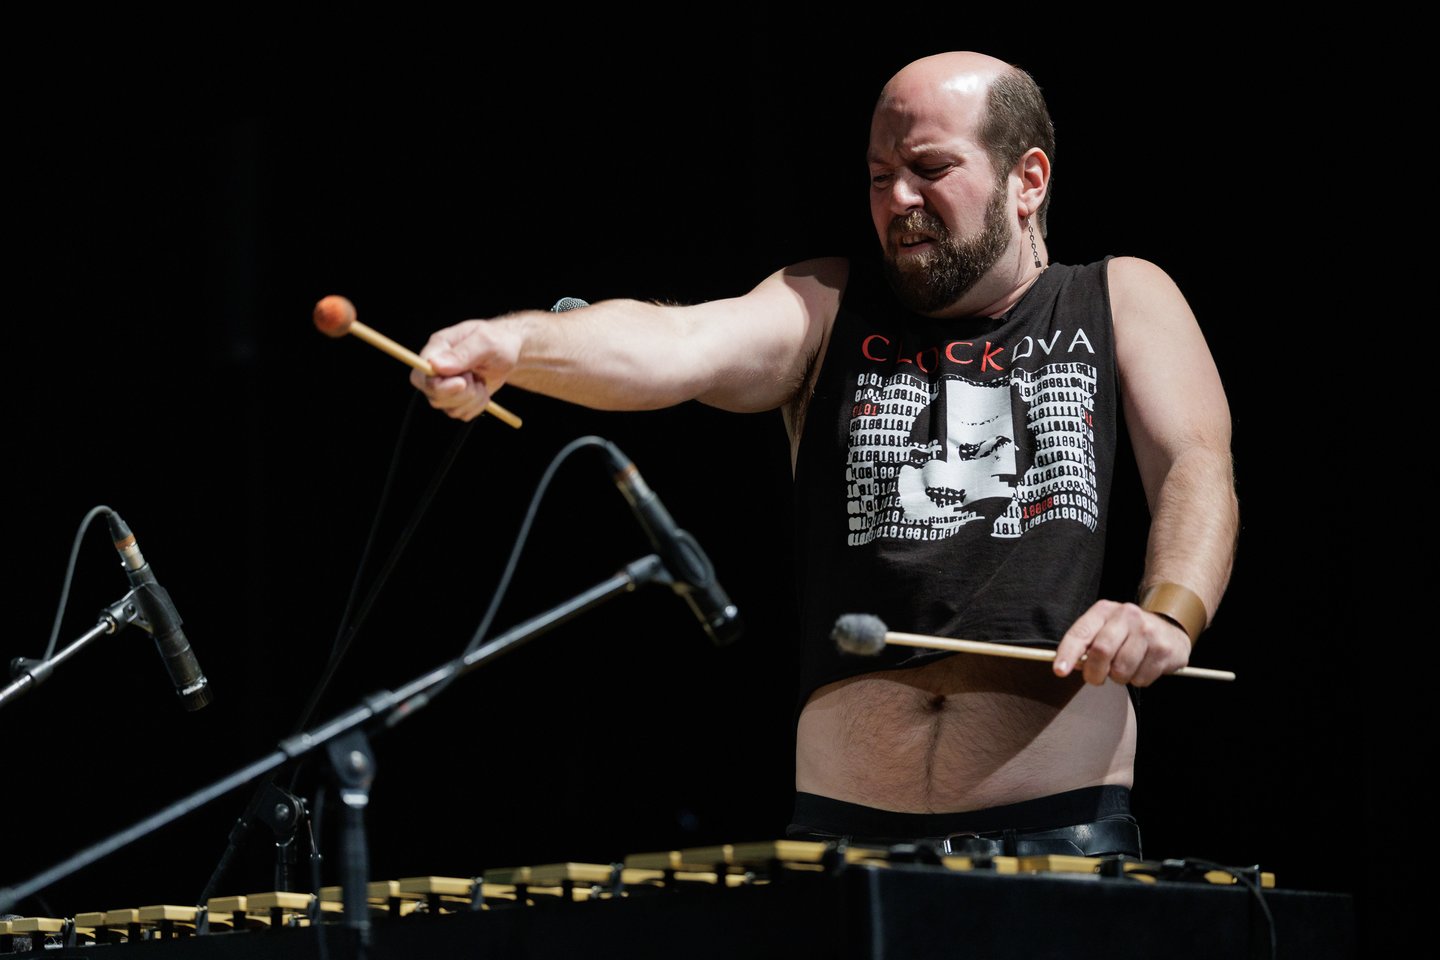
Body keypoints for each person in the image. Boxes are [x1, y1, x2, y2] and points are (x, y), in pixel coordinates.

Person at [411, 52, 1237, 859]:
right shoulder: (826, 303)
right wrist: (517, 344)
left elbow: (1196, 467)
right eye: (880, 176)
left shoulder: (1116, 296)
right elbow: (679, 340)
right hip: (840, 839)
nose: (899, 199)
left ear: (1028, 180)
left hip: (1056, 832)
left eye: (930, 168)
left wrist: (1167, 612)